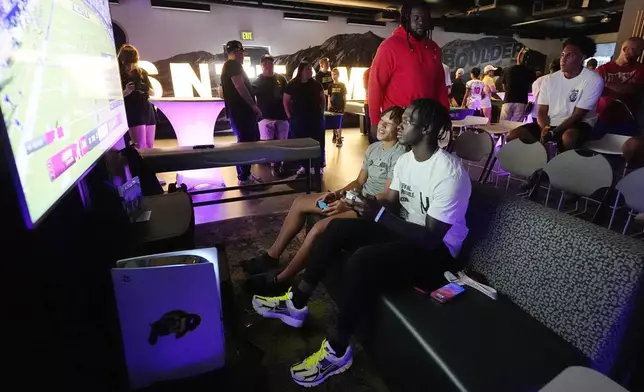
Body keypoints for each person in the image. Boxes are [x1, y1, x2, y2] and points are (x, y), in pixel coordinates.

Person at [251, 98, 471, 387]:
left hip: (438, 253)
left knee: (363, 259)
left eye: (408, 120)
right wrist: (358, 202)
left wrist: (378, 214)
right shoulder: (406, 161)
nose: (400, 124)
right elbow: (392, 203)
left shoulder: (448, 172)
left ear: (427, 128)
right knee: (336, 229)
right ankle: (296, 303)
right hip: (408, 232)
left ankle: (337, 351)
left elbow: (430, 238)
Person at [242, 107, 407, 290]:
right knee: (300, 202)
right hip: (353, 199)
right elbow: (359, 181)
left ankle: (282, 279)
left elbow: (386, 197)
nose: (381, 125)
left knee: (319, 228)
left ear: (399, 128)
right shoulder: (374, 148)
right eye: (381, 120)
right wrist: (337, 194)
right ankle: (272, 256)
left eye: (388, 123)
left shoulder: (400, 155)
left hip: (368, 208)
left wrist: (352, 203)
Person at [367, 1, 449, 141]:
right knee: (397, 162)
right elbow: (375, 85)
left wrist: (445, 117)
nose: (421, 22)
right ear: (406, 19)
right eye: (416, 18)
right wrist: (375, 121)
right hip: (397, 123)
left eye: (424, 18)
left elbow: (440, 87)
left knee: (422, 162)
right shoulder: (390, 46)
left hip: (425, 124)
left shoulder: (434, 48)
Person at [506, 36, 604, 152]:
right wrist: (545, 128)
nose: (563, 59)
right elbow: (542, 110)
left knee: (569, 138)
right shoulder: (549, 80)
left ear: (582, 58)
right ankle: (535, 165)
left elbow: (578, 115)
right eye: (563, 55)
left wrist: (554, 132)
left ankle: (561, 166)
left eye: (569, 55)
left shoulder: (593, 79)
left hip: (577, 123)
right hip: (550, 123)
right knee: (513, 136)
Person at [221, 40, 263, 186]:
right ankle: (244, 178)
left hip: (240, 112)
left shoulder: (229, 66)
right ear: (236, 51)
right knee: (246, 144)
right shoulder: (233, 65)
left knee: (247, 143)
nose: (243, 55)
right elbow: (239, 86)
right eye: (241, 52)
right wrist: (253, 106)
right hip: (241, 112)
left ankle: (246, 174)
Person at [595, 37, 644, 136]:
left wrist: (605, 83)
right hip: (601, 117)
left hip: (628, 118)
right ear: (625, 49)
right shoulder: (603, 69)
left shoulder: (640, 69)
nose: (639, 53)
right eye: (635, 49)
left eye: (641, 50)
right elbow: (595, 90)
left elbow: (632, 90)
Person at [284, 60, 326, 174]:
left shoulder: (316, 84)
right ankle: (304, 166)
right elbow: (286, 100)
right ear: (301, 70)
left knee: (318, 143)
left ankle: (318, 166)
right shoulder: (292, 84)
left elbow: (323, 99)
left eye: (310, 69)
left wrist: (321, 113)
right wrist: (289, 115)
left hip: (315, 119)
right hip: (299, 120)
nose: (310, 71)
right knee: (301, 143)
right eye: (307, 69)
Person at [253, 54, 289, 176]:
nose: (268, 66)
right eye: (265, 63)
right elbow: (251, 98)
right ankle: (274, 165)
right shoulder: (256, 81)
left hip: (282, 117)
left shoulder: (281, 79)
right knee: (269, 144)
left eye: (271, 63)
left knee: (282, 142)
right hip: (266, 118)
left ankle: (281, 164)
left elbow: (288, 96)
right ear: (262, 66)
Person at [118, 44, 156, 149]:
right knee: (141, 145)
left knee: (150, 145)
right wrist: (126, 91)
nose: (130, 67)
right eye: (127, 64)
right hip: (132, 110)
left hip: (146, 109)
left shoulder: (142, 72)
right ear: (122, 61)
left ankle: (150, 165)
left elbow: (153, 92)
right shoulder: (118, 74)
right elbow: (115, 98)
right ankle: (141, 165)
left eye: (133, 63)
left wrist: (145, 88)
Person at [500, 48, 536, 121]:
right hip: (521, 101)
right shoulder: (529, 72)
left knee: (503, 126)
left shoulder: (508, 70)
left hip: (508, 100)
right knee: (516, 127)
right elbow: (532, 87)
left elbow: (504, 86)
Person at [328, 67, 348, 147]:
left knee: (339, 122)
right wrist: (328, 104)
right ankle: (334, 134)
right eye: (332, 74)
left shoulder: (342, 85)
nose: (334, 76)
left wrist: (345, 105)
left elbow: (344, 96)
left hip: (340, 105)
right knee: (334, 122)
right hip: (333, 106)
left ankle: (339, 138)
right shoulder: (330, 85)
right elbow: (329, 96)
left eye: (335, 74)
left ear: (338, 75)